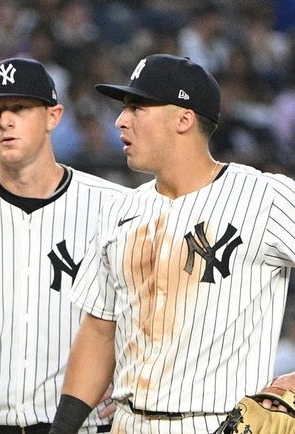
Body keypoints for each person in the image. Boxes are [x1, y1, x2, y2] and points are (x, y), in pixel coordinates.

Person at [49, 54, 295, 434]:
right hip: (127, 423)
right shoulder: (122, 212)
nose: (120, 119)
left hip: (219, 424)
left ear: (184, 118)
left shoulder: (265, 197)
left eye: (137, 106)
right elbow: (100, 330)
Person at [0, 58, 126, 434]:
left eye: (19, 108)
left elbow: (151, 306)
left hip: (77, 425)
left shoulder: (114, 206)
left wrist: (132, 374)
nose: (4, 121)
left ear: (54, 116)